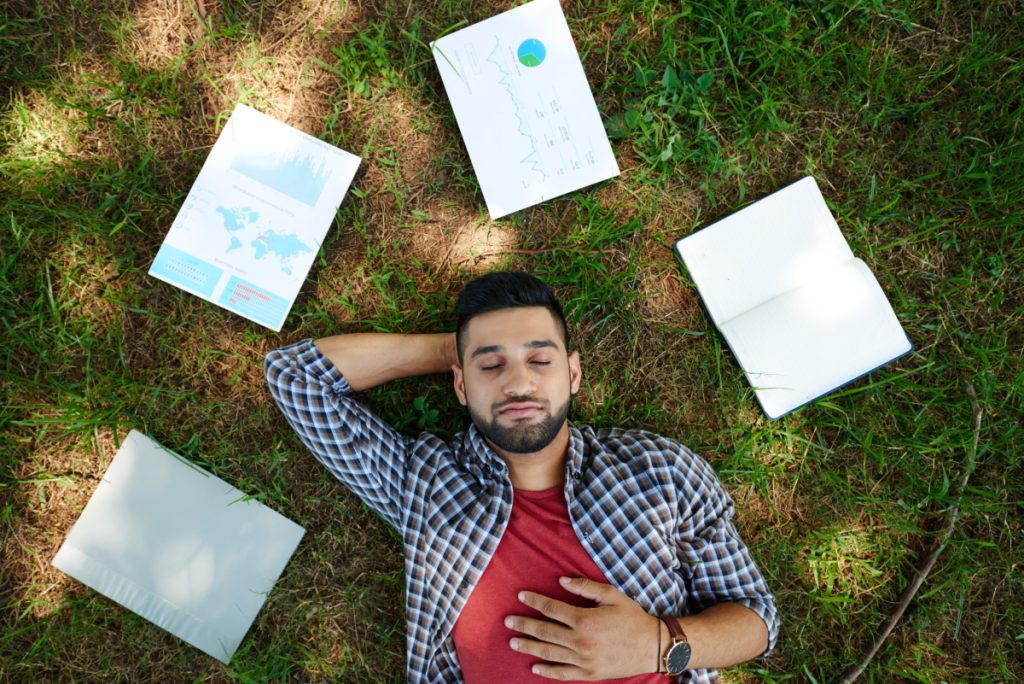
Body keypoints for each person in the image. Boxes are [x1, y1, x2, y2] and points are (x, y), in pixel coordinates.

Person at [264, 271, 778, 683]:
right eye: (491, 367)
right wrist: (456, 349)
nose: (518, 382)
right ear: (460, 386)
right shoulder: (423, 482)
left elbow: (757, 621)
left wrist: (657, 645)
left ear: (573, 374)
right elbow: (296, 377)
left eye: (539, 359)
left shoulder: (659, 470)